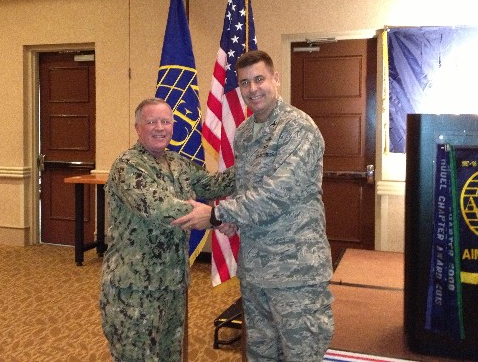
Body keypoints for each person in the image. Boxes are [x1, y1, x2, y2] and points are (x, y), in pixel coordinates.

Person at [172, 50, 334, 361]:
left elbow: (276, 193)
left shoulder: (298, 128)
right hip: (256, 268)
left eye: (259, 79)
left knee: (302, 354)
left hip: (294, 270)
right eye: (245, 83)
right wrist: (231, 218)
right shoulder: (245, 133)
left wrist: (217, 214)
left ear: (276, 79)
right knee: (260, 353)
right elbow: (246, 184)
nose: (253, 89)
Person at [99, 97, 235, 362]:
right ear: (138, 127)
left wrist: (251, 167)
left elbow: (212, 185)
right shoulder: (127, 166)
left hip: (172, 286)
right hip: (135, 290)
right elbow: (161, 208)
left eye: (165, 121)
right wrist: (216, 218)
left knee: (169, 355)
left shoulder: (177, 163)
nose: (160, 127)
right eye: (151, 122)